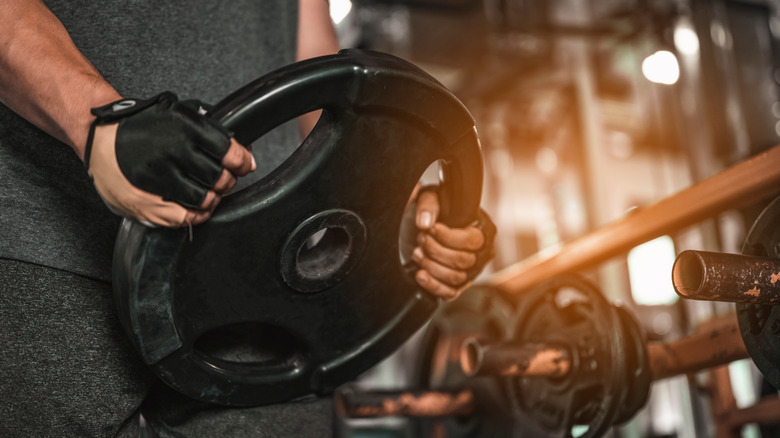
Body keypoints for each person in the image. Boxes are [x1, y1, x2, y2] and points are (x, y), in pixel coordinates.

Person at [0, 1, 495, 437]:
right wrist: (97, 121)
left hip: (272, 276)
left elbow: (311, 49)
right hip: (50, 246)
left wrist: (395, 201)